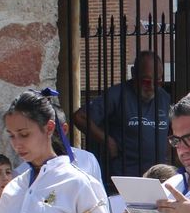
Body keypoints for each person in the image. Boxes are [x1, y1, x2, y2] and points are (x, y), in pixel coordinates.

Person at [74, 50, 173, 186]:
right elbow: (80, 117)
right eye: (146, 81)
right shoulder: (117, 95)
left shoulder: (164, 97)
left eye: (158, 82)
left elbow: (171, 130)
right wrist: (107, 140)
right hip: (124, 178)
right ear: (133, 74)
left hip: (157, 179)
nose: (151, 87)